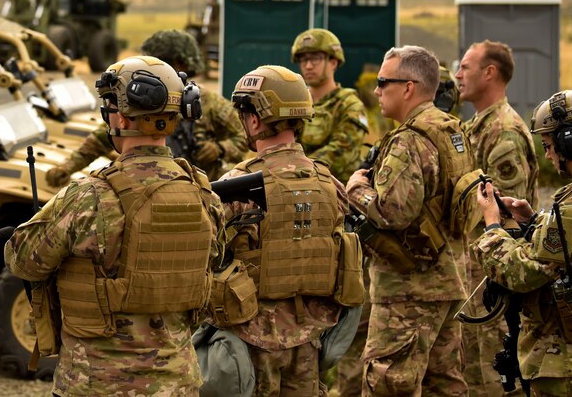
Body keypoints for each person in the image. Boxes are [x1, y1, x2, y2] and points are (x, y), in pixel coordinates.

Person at [6, 55, 227, 395]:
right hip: (177, 382)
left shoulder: (88, 197)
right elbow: (213, 264)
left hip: (96, 383)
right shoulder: (204, 195)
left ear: (121, 117)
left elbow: (23, 261)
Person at [218, 65, 360, 395]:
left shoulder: (236, 186)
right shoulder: (330, 183)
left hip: (250, 341)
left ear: (254, 120)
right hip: (312, 337)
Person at [345, 45, 472, 395]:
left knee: (390, 384)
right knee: (444, 384)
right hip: (448, 280)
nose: (376, 90)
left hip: (409, 291)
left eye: (384, 82)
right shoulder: (453, 131)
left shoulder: (409, 141)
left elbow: (392, 212)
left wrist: (356, 189)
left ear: (408, 87)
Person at [473, 89, 572, 395]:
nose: (547, 155)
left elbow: (523, 274)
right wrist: (535, 222)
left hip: (566, 367)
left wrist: (492, 225)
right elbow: (569, 255)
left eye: (549, 146)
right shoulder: (571, 204)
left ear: (570, 142)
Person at [47, 29, 247, 187]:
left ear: (179, 63)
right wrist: (67, 168)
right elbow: (101, 138)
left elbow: (244, 135)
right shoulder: (136, 101)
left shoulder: (209, 102)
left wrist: (220, 149)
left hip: (201, 188)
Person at [455, 40, 539, 392]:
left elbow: (505, 218)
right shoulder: (478, 126)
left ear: (489, 73)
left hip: (495, 282)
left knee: (494, 379)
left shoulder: (502, 131)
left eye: (466, 67)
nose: (458, 75)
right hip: (479, 272)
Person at [290, 28, 370, 183]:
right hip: (295, 185)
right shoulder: (295, 100)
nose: (308, 66)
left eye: (315, 58)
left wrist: (296, 170)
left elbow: (341, 153)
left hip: (335, 193)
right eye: (303, 59)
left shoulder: (349, 104)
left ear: (333, 62)